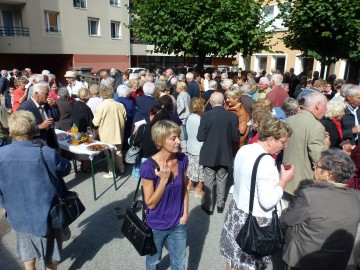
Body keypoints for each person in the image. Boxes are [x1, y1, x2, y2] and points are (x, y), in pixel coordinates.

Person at [220, 117, 294, 270]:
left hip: (236, 212)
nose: (284, 146)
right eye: (282, 141)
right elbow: (268, 201)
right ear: (271, 139)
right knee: (248, 264)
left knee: (233, 259)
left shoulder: (245, 149)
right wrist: (284, 180)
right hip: (255, 220)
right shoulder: (266, 162)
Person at [0, 110, 71, 270]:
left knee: (27, 256)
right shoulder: (47, 152)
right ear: (33, 130)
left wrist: (3, 204)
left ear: (11, 131)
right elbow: (66, 168)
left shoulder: (1, 154)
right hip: (48, 215)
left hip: (18, 214)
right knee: (51, 259)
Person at [281, 148, 360, 270]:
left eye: (317, 166)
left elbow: (286, 220)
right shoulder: (356, 196)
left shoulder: (309, 195)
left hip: (304, 261)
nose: (314, 168)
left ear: (328, 174)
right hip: (339, 261)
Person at [140, 120, 189, 270]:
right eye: (173, 138)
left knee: (179, 263)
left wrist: (185, 215)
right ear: (160, 141)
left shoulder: (182, 159)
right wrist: (163, 180)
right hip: (157, 225)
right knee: (153, 262)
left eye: (178, 137)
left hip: (178, 222)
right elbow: (151, 203)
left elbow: (184, 188)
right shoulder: (148, 167)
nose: (178, 141)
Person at [197, 92, 240, 215]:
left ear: (211, 102)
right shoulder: (232, 117)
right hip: (224, 152)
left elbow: (200, 137)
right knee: (222, 179)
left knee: (209, 179)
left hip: (209, 152)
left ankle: (209, 206)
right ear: (224, 102)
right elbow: (235, 137)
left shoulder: (206, 116)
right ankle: (220, 205)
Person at [282, 91, 329, 200]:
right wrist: (326, 144)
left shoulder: (289, 119)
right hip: (303, 184)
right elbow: (319, 158)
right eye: (325, 106)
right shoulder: (316, 126)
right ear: (318, 105)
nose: (326, 109)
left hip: (287, 178)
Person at [93, 85, 127, 178]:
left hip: (106, 134)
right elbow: (125, 118)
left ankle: (112, 172)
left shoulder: (100, 106)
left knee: (109, 154)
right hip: (119, 132)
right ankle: (121, 168)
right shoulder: (120, 105)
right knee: (118, 151)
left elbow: (95, 122)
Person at [18, 81, 60, 149]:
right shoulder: (25, 108)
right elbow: (20, 130)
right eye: (46, 94)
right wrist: (39, 127)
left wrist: (54, 106)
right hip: (36, 145)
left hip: (50, 141)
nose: (48, 96)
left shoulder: (46, 104)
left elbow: (56, 118)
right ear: (36, 94)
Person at [186, 97, 205, 198]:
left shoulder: (190, 117)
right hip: (199, 147)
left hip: (191, 146)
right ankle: (199, 188)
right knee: (201, 169)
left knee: (192, 167)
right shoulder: (200, 120)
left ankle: (189, 186)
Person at [176, 82, 191, 152]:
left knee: (183, 131)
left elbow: (182, 106)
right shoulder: (187, 94)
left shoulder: (180, 96)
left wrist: (177, 112)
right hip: (188, 114)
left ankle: (184, 147)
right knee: (187, 130)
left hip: (183, 116)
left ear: (180, 88)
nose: (176, 89)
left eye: (177, 88)